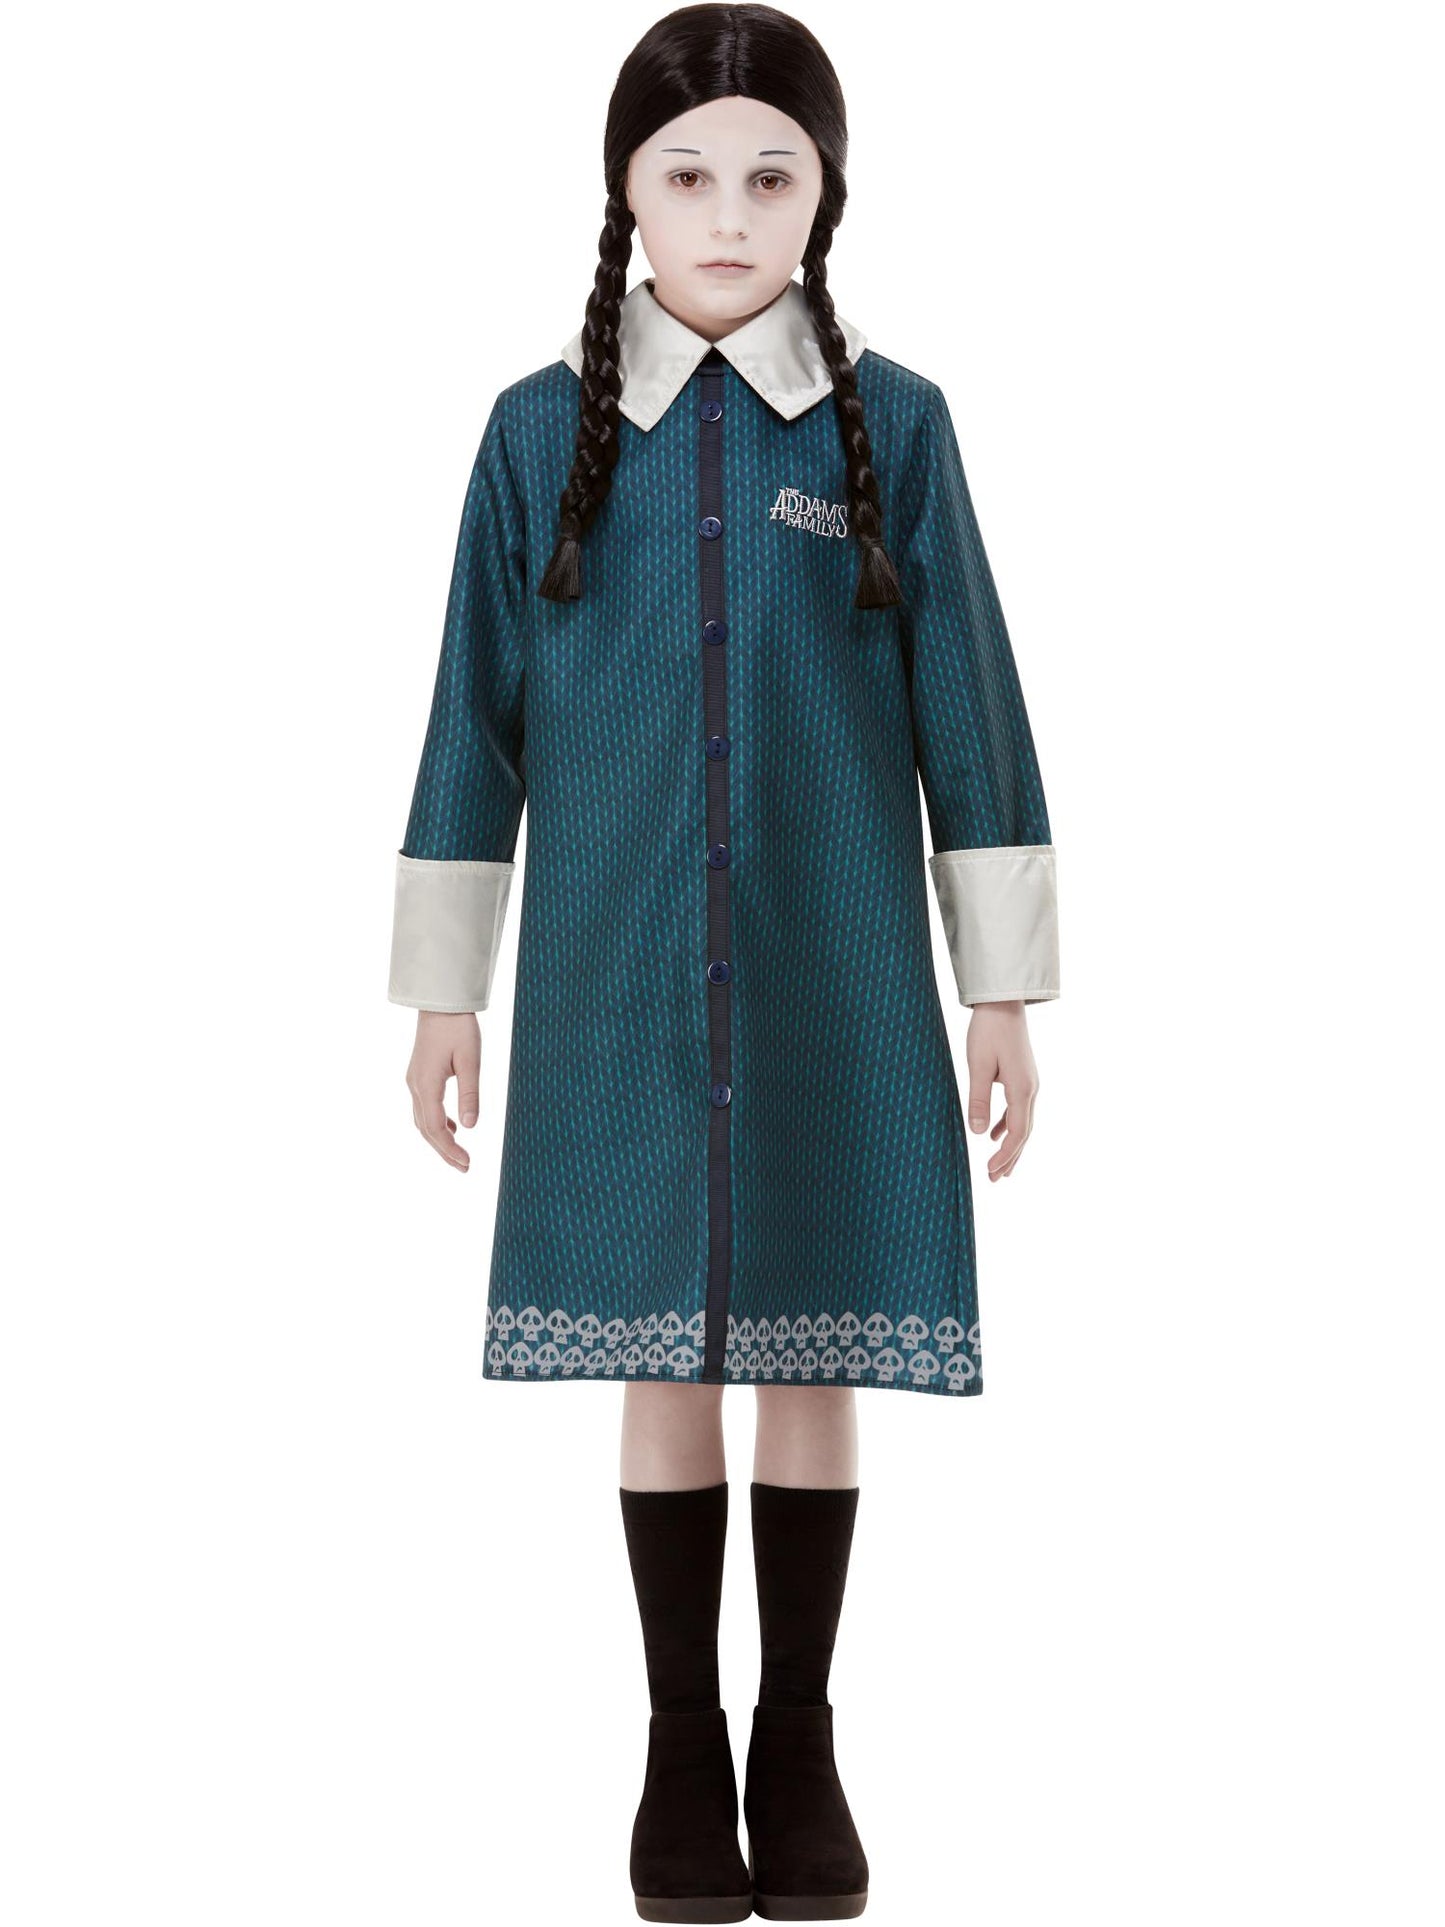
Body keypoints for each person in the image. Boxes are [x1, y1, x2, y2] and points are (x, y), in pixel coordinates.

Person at [388, 6, 1059, 1918]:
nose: (728, 213)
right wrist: (446, 989)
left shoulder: (891, 425)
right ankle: (680, 1741)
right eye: (685, 175)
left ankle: (799, 1732)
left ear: (824, 194)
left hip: (829, 965)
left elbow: (970, 709)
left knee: (815, 1334)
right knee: (657, 1345)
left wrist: (999, 991)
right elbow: (472, 718)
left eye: (771, 175)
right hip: (613, 972)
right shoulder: (537, 434)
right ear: (626, 192)